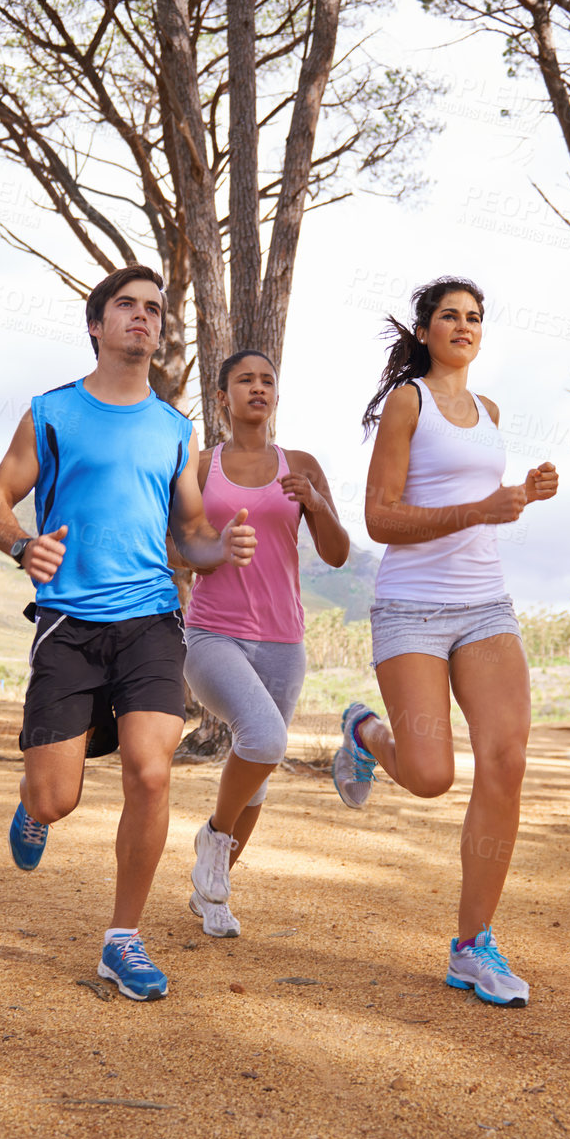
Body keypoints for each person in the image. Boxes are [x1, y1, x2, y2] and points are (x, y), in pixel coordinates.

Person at [0, 266, 257, 1002]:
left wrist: (214, 548)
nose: (142, 318)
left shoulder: (174, 428)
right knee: (54, 798)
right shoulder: (52, 412)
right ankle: (32, 803)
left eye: (153, 310)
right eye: (126, 306)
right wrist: (19, 546)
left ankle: (121, 940)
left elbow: (188, 530)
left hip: (150, 620)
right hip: (68, 622)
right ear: (96, 324)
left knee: (151, 769)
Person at [332, 277, 558, 1007]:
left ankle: (471, 944)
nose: (462, 326)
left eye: (473, 317)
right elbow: (380, 517)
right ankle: (363, 730)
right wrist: (478, 509)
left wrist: (520, 494)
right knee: (430, 775)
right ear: (424, 331)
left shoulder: (487, 412)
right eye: (448, 316)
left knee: (507, 759)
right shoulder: (409, 402)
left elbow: (483, 506)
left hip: (484, 606)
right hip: (411, 610)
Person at [183, 351, 350, 937]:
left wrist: (317, 503)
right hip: (212, 634)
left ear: (277, 395)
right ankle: (213, 840)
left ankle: (214, 893)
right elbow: (177, 551)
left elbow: (336, 552)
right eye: (244, 380)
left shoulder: (300, 464)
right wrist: (218, 547)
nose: (258, 388)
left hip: (284, 641)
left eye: (267, 380)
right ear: (223, 395)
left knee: (258, 768)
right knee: (264, 737)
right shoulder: (202, 466)